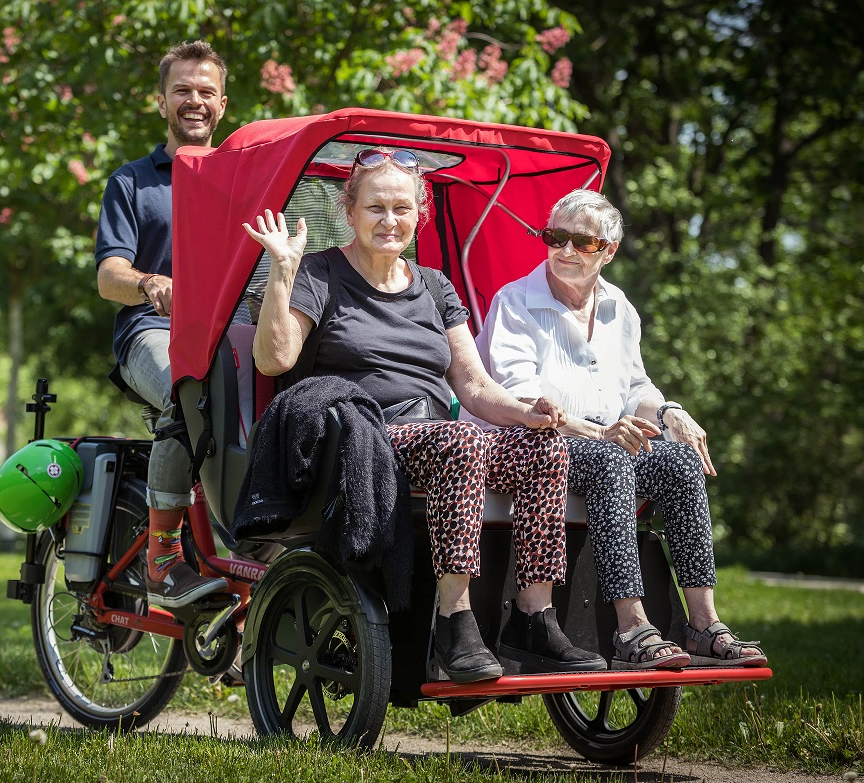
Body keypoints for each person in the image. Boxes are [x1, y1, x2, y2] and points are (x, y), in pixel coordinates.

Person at [244, 147, 607, 682]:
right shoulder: (319, 272)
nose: (389, 221)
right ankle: (454, 618)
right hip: (361, 436)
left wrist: (526, 411)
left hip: (436, 435)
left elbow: (475, 386)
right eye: (375, 208)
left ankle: (534, 616)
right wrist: (282, 270)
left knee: (543, 448)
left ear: (420, 214)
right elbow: (274, 360)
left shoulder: (435, 285)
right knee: (460, 443)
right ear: (350, 211)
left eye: (401, 209)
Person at [470, 188, 767, 669]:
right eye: (555, 237)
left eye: (581, 242)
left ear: (607, 251)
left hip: (600, 445)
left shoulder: (620, 308)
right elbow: (520, 395)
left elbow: (635, 386)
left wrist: (670, 411)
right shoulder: (516, 302)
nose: (564, 250)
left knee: (679, 462)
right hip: (529, 447)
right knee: (610, 460)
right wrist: (599, 433)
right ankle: (631, 626)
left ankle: (703, 623)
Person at [95, 41, 230, 609]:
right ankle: (163, 560)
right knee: (187, 396)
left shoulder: (240, 179)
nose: (193, 101)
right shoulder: (132, 182)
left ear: (222, 104)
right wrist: (152, 284)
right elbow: (108, 277)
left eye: (205, 92)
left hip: (228, 333)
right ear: (161, 102)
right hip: (151, 333)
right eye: (182, 91)